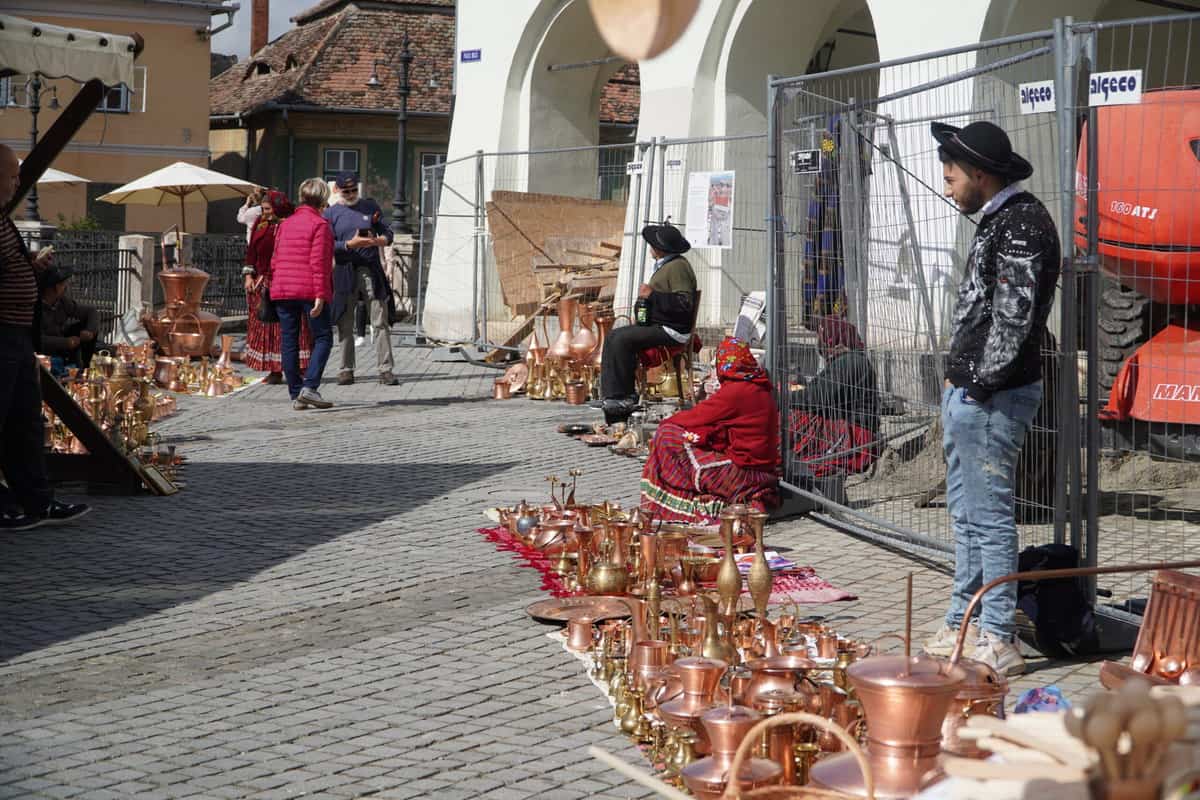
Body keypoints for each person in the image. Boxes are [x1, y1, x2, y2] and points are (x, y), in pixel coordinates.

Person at [921, 120, 1060, 676]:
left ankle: (998, 635)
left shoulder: (1022, 223)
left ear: (980, 172)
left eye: (952, 174)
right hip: (973, 390)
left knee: (990, 516)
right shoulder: (999, 219)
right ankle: (963, 619)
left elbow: (1014, 317)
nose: (947, 184)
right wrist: (957, 378)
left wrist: (976, 384)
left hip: (994, 395)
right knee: (967, 514)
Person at [0, 143, 89, 530]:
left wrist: (31, 268)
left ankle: (37, 500)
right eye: (11, 174)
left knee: (25, 421)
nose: (17, 181)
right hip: (0, 333)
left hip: (17, 333)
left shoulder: (3, 218)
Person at [640, 337, 780, 523]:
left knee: (668, 435)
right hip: (761, 469)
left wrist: (666, 423)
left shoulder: (738, 391)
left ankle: (677, 498)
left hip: (746, 473)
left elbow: (696, 416)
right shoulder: (759, 385)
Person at [597, 224, 697, 423]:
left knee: (621, 339)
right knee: (614, 336)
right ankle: (613, 397)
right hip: (658, 325)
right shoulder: (666, 265)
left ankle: (622, 399)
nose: (650, 247)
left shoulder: (678, 267)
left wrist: (652, 295)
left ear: (660, 248)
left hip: (672, 330)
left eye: (652, 244)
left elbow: (684, 303)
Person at [324, 171, 397, 386]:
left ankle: (385, 369)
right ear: (337, 190)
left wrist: (378, 241)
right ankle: (346, 369)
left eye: (354, 190)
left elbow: (388, 233)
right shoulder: (331, 214)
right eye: (346, 191)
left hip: (370, 269)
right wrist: (348, 244)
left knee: (380, 321)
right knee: (345, 322)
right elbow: (327, 244)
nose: (350, 194)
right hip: (344, 269)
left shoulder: (370, 207)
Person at [269, 178, 336, 410]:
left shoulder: (286, 224)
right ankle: (310, 387)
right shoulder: (320, 225)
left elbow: (275, 259)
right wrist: (320, 293)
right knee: (324, 337)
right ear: (323, 199)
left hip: (283, 289)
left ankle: (296, 394)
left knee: (289, 341)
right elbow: (319, 262)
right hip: (308, 289)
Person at [788, 316, 879, 480]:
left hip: (854, 436)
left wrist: (784, 397)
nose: (820, 342)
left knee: (794, 415)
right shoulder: (846, 360)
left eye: (822, 336)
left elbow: (818, 397)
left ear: (834, 337)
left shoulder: (849, 361)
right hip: (848, 429)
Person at [243, 189, 313, 385]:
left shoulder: (288, 225)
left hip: (283, 282)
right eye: (263, 209)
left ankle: (297, 368)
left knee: (289, 327)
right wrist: (249, 275)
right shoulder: (260, 223)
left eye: (268, 209)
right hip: (260, 283)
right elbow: (251, 252)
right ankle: (274, 371)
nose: (265, 213)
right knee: (266, 326)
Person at [38, 265, 101, 373]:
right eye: (64, 284)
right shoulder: (36, 307)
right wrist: (65, 342)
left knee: (82, 328)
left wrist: (89, 331)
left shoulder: (62, 301)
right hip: (43, 352)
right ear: (57, 287)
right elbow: (37, 339)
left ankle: (83, 370)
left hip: (62, 346)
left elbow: (91, 311)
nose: (66, 286)